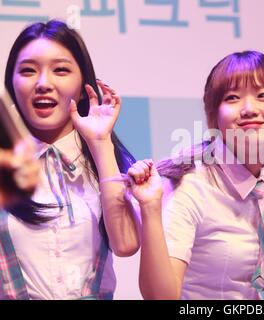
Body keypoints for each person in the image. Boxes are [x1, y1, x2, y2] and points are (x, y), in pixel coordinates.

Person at [126, 51, 264, 299]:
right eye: (232, 98)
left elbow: (263, 277)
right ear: (213, 117)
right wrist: (149, 209)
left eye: (263, 95)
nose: (248, 109)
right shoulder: (192, 184)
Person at [1, 20, 140, 300]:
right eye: (28, 71)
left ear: (82, 84)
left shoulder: (106, 160)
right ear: (11, 85)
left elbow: (126, 244)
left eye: (60, 70)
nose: (43, 83)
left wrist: (100, 144)